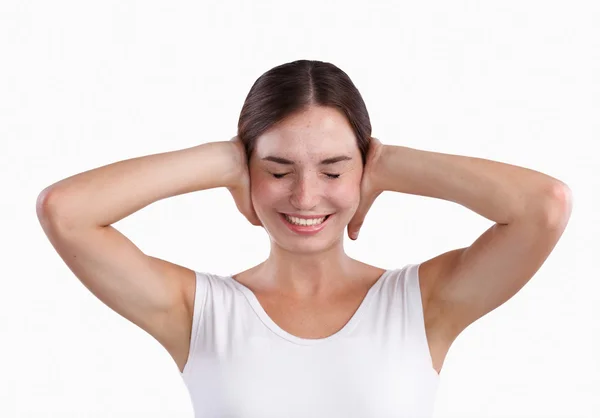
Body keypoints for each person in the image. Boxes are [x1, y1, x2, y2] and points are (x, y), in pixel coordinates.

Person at [37, 59, 572, 417]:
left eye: (334, 171)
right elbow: (65, 212)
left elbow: (543, 208)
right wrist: (223, 160)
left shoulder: (423, 304)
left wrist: (390, 164)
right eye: (277, 169)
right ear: (248, 174)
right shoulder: (196, 311)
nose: (305, 196)